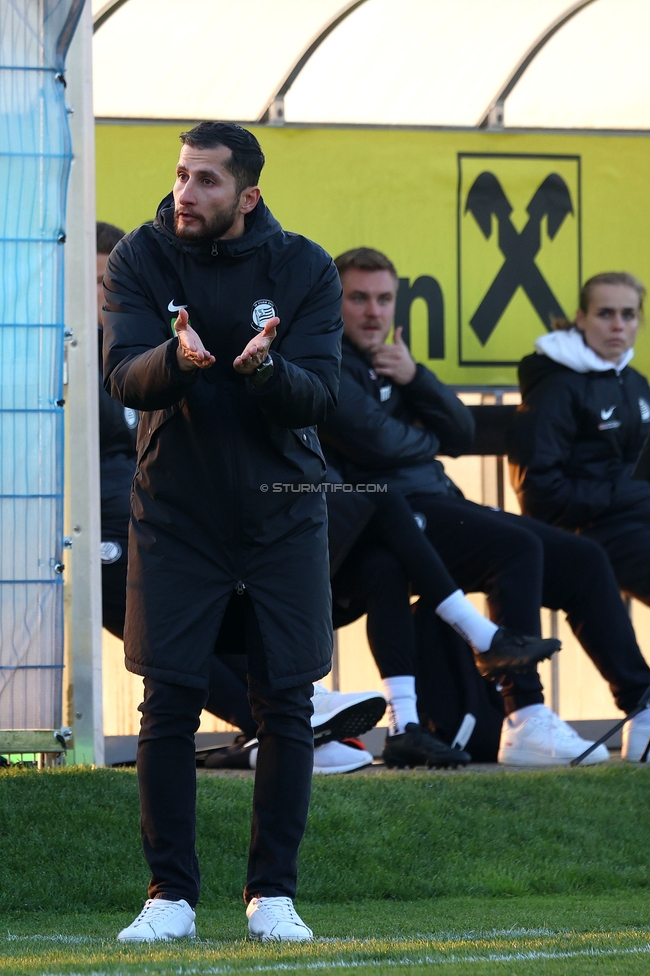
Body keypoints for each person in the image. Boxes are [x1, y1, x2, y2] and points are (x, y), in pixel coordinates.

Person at [102, 122, 343, 943]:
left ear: (249, 196)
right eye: (180, 175)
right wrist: (177, 360)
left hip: (281, 512)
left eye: (206, 181)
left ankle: (271, 895)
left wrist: (267, 371)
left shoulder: (304, 267)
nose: (185, 194)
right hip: (176, 512)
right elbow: (124, 373)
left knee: (287, 703)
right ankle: (169, 896)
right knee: (166, 700)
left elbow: (320, 397)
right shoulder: (141, 256)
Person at [319, 247, 650, 767]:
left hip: (435, 503)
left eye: (384, 299)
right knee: (514, 547)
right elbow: (379, 444)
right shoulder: (325, 360)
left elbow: (462, 431)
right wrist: (424, 439)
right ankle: (525, 717)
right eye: (358, 299)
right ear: (334, 302)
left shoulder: (393, 360)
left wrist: (416, 378)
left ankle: (642, 710)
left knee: (582, 561)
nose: (373, 312)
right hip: (383, 519)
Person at [509, 272, 650, 761]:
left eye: (628, 315)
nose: (617, 325)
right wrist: (628, 494)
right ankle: (645, 713)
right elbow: (538, 493)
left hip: (635, 522)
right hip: (584, 535)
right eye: (605, 313)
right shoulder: (557, 385)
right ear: (581, 318)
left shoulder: (635, 382)